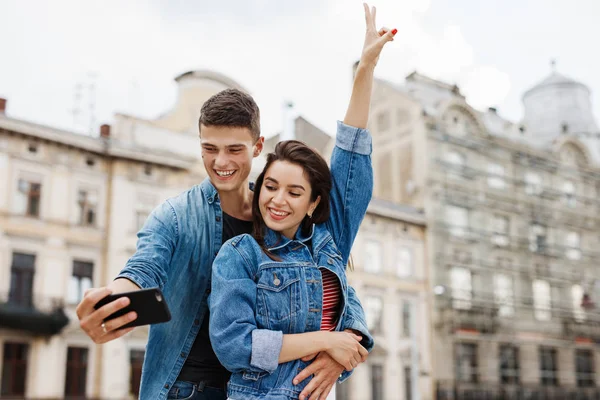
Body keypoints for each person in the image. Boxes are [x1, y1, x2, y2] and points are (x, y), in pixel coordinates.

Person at [74, 3, 393, 398]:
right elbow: (144, 267)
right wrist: (112, 298)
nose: (221, 162)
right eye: (210, 148)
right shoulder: (178, 217)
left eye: (234, 149)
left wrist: (348, 339)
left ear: (258, 146)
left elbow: (338, 274)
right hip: (189, 388)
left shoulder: (295, 226)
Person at [209, 5, 394, 400]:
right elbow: (234, 346)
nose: (277, 200)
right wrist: (326, 342)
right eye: (271, 186)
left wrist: (364, 70)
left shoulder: (330, 245)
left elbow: (351, 159)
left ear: (313, 204)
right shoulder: (240, 254)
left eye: (294, 193)